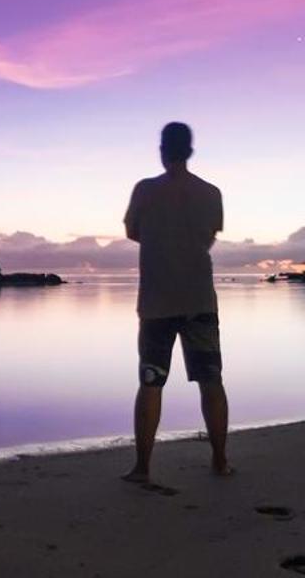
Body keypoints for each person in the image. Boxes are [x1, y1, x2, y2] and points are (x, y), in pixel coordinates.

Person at [121, 121, 231, 483]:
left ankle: (142, 467)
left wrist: (161, 240)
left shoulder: (145, 190)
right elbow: (209, 235)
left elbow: (133, 231)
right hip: (199, 298)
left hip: (156, 301)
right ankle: (219, 461)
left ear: (162, 150)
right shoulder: (210, 193)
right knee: (210, 379)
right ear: (190, 150)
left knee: (151, 381)